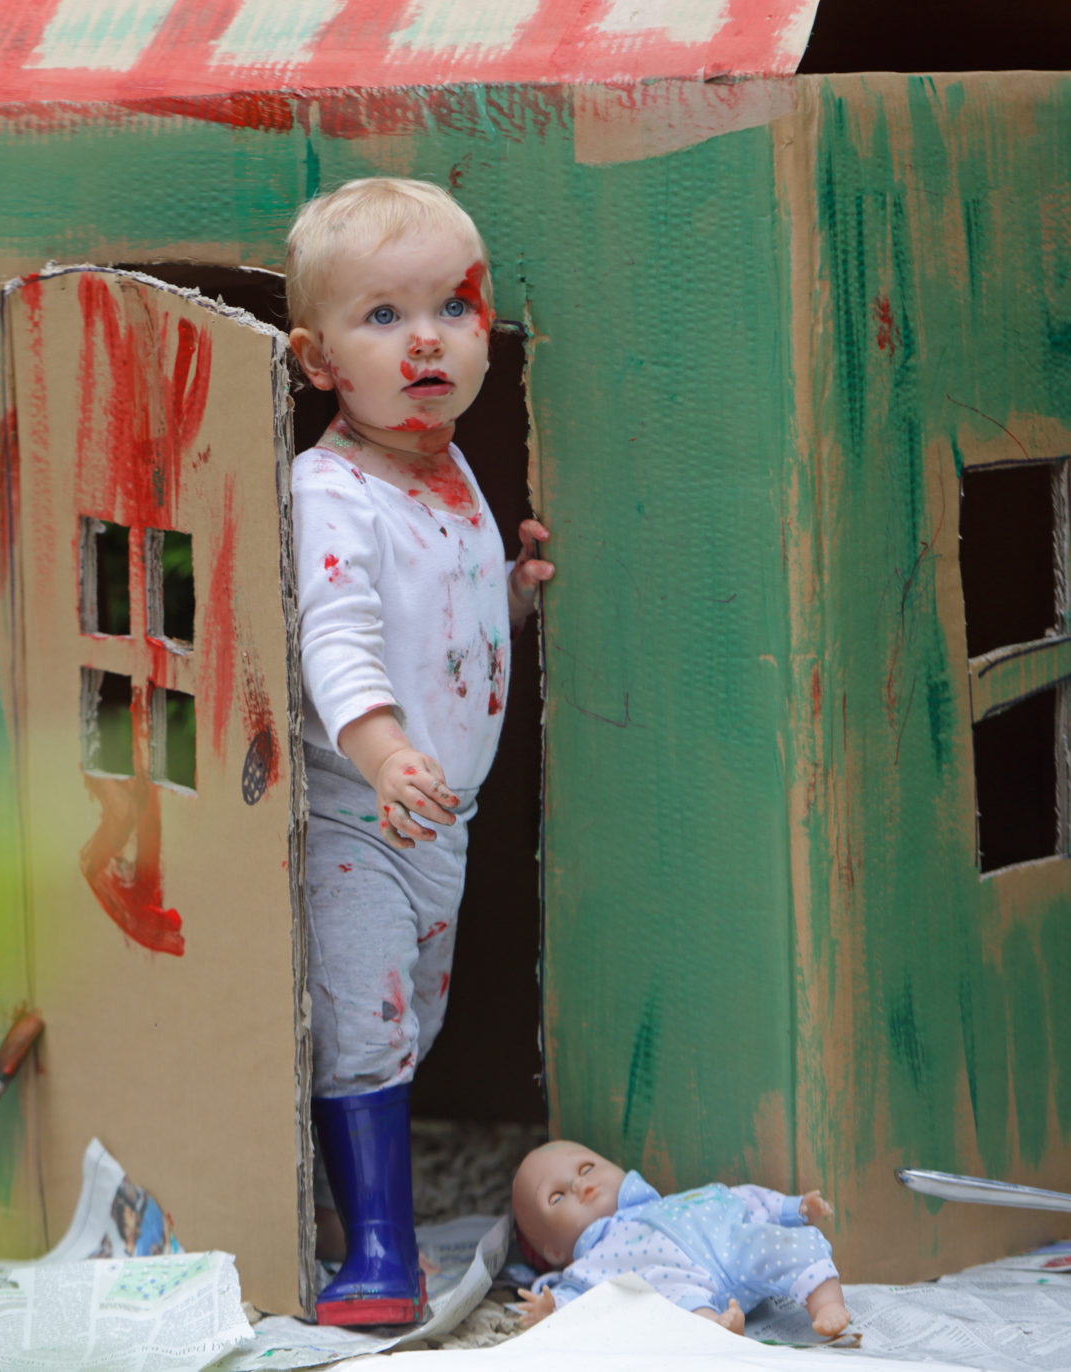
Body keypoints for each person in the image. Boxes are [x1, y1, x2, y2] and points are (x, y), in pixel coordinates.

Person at [285, 176, 553, 1326]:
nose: (427, 338)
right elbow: (337, 638)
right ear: (316, 360)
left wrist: (510, 599)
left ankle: (350, 1213)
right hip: (357, 809)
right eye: (383, 317)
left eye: (451, 306)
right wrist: (385, 751)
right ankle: (379, 1257)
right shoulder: (331, 487)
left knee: (411, 1022)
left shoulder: (448, 472)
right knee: (363, 1017)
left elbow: (439, 628)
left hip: (436, 818)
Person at [510, 1140, 852, 1337]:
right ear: (553, 1250)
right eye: (557, 1197)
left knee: (784, 1245)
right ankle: (714, 1330)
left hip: (734, 1247)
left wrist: (793, 1208)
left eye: (586, 1168)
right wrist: (551, 1309)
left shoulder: (680, 1201)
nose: (578, 1185)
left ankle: (826, 1304)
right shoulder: (590, 1264)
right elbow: (584, 1300)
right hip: (683, 1287)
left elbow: (742, 1198)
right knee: (669, 1303)